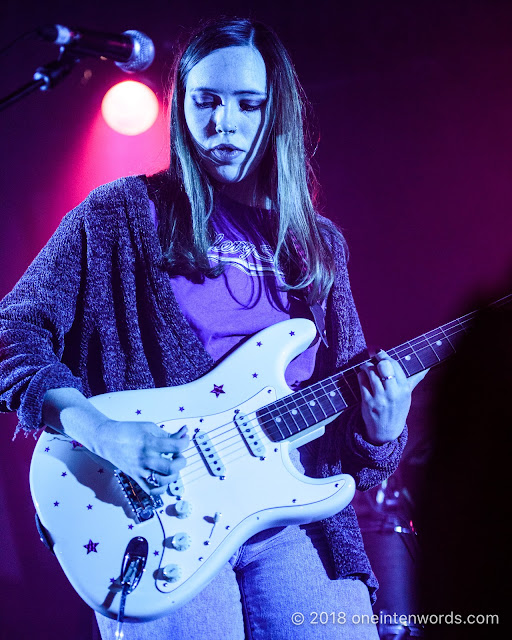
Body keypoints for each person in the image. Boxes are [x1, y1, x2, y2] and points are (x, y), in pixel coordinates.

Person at [0, 17, 426, 640]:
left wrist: (382, 432)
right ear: (182, 107)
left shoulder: (318, 247)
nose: (224, 124)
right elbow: (13, 330)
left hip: (292, 525)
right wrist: (102, 432)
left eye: (248, 105)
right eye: (206, 101)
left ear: (276, 114)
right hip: (159, 520)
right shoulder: (122, 215)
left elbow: (349, 435)